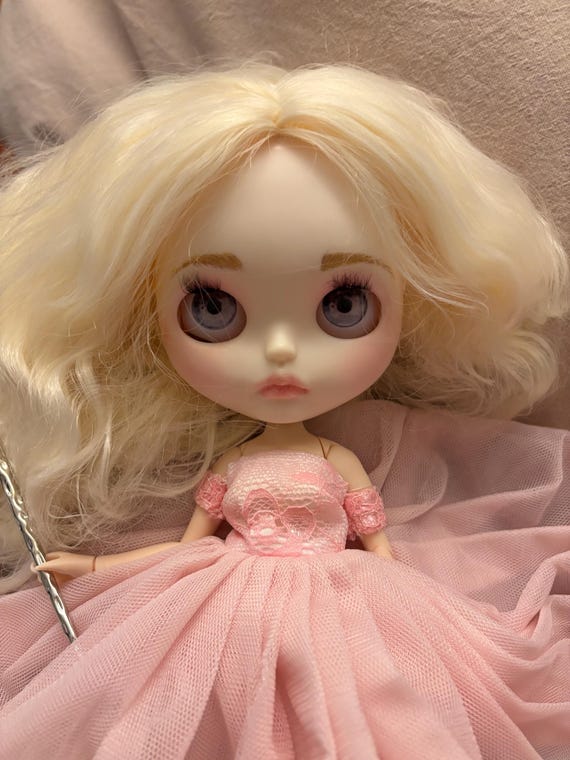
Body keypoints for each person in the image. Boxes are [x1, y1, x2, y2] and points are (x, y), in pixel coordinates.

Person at [0, 65, 568, 759]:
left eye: (343, 306)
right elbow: (191, 548)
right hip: (225, 601)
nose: (278, 352)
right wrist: (93, 567)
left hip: (343, 592)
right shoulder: (236, 463)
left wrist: (413, 604)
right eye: (212, 308)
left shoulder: (337, 459)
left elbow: (378, 545)